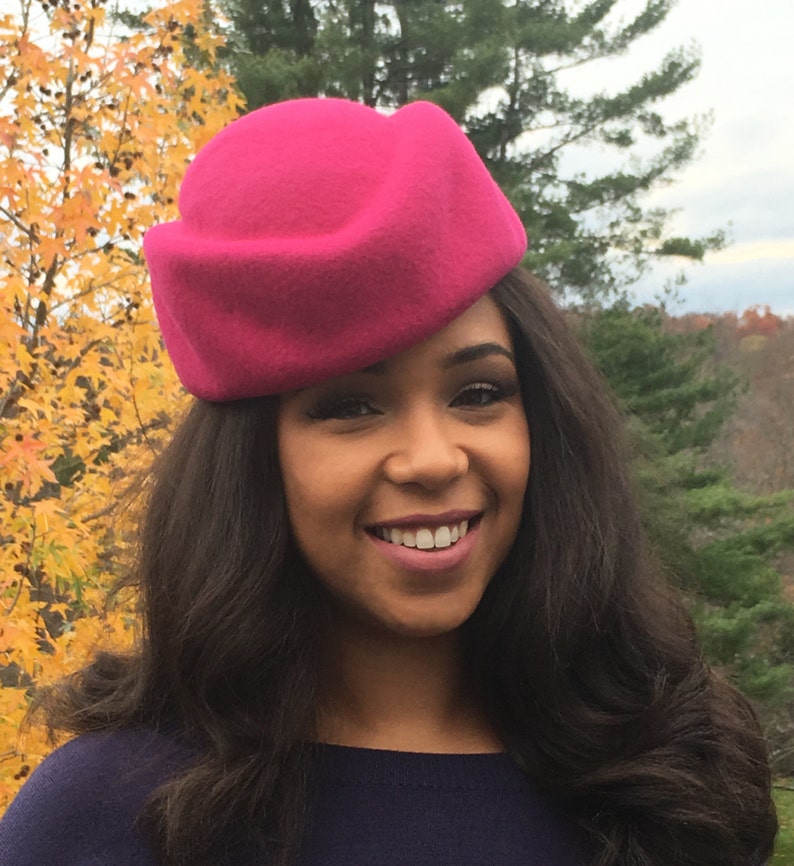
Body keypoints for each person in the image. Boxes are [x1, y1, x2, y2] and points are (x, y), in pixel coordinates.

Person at [0, 98, 777, 866]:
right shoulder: (106, 818)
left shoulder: (674, 768)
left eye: (478, 394)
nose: (433, 459)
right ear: (252, 465)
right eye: (350, 406)